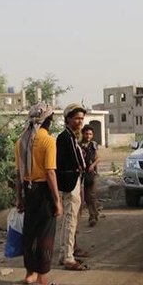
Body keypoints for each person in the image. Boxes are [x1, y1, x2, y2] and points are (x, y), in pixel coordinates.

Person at [14, 103, 64, 285]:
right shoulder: (48, 141)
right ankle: (42, 278)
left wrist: (19, 198)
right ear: (48, 121)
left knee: (30, 232)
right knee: (45, 234)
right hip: (43, 191)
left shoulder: (21, 141)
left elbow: (18, 173)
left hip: (28, 190)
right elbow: (50, 172)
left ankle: (30, 273)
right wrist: (57, 201)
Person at [56, 103, 88, 271]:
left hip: (75, 180)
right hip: (69, 182)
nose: (79, 122)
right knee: (70, 220)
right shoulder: (64, 137)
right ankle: (68, 257)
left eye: (81, 119)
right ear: (68, 119)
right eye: (76, 118)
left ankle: (64, 254)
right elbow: (57, 164)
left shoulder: (72, 136)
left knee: (71, 219)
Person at [80, 124, 100, 227]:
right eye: (87, 133)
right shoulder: (79, 145)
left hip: (91, 173)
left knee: (91, 195)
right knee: (86, 197)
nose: (88, 136)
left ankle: (93, 216)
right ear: (83, 134)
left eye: (90, 134)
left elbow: (98, 158)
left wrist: (93, 165)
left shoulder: (93, 145)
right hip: (82, 174)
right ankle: (93, 214)